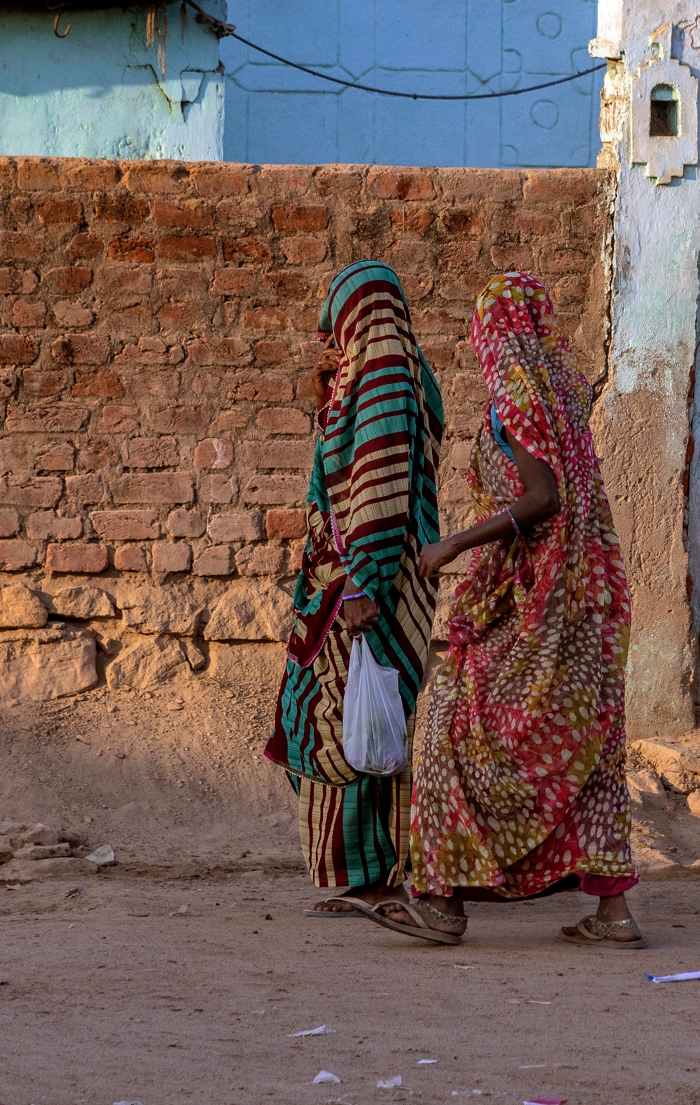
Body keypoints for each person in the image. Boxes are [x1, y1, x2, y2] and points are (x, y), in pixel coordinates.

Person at [365, 270, 640, 948]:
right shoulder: (567, 390)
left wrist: (452, 544)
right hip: (585, 597)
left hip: (534, 601)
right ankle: (614, 914)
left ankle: (444, 900)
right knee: (591, 744)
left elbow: (542, 495)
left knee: (449, 728)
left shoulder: (515, 397)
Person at [262, 260, 445, 915]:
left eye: (339, 324)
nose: (331, 338)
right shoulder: (371, 376)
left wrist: (362, 584)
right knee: (340, 720)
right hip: (346, 580)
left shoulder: (389, 375)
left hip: (374, 583)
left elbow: (379, 490)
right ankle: (366, 872)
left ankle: (381, 877)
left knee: (362, 723)